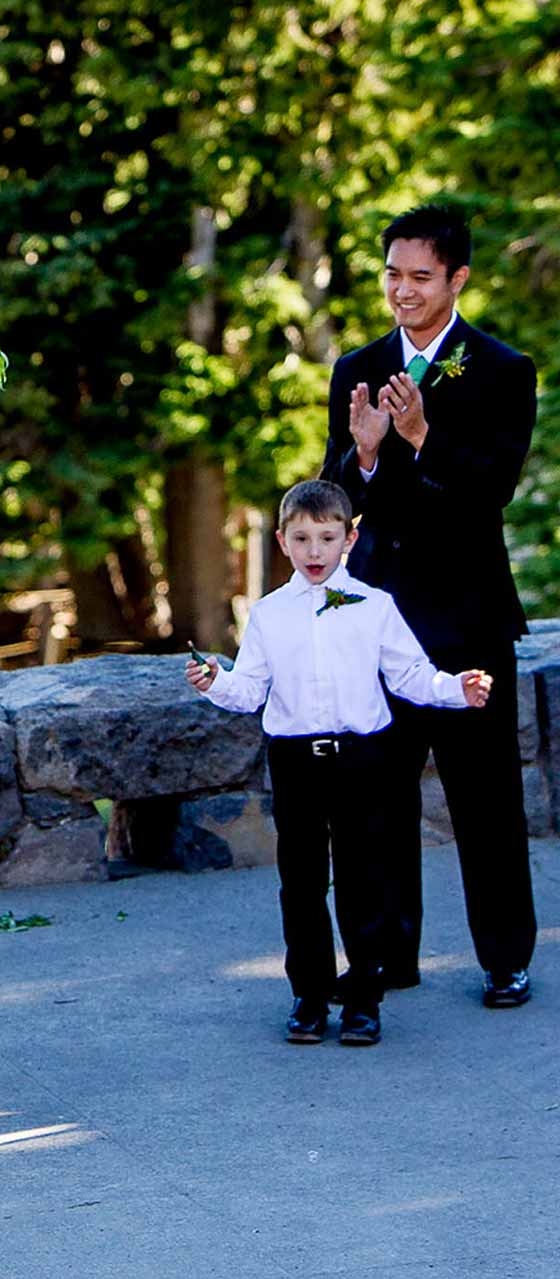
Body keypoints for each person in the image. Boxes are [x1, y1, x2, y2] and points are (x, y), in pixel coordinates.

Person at [320, 204, 539, 1009]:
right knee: (373, 794)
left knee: (484, 798)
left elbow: (492, 492)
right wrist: (369, 452)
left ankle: (506, 957)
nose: (401, 292)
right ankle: (383, 956)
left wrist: (423, 440)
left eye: (419, 277)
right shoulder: (357, 365)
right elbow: (332, 498)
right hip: (376, 615)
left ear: (457, 278)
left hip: (469, 615)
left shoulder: (503, 369)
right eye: (392, 275)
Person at [188, 480, 491, 1046]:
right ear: (282, 541)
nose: (314, 551)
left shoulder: (375, 608)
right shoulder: (270, 614)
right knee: (300, 881)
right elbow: (250, 690)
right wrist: (215, 682)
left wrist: (457, 689)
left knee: (363, 879)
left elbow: (411, 676)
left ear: (349, 538)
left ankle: (363, 998)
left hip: (361, 757)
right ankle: (308, 995)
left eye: (327, 538)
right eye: (301, 538)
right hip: (295, 759)